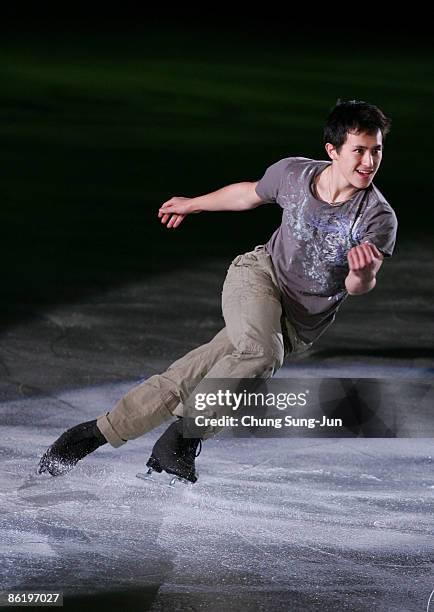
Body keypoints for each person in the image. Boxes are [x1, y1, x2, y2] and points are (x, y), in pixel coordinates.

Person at [38, 99, 398, 484]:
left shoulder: (377, 217)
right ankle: (182, 439)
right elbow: (248, 194)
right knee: (260, 353)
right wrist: (195, 204)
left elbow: (358, 285)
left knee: (191, 376)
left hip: (296, 324)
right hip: (259, 278)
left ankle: (93, 434)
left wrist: (361, 273)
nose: (369, 161)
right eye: (359, 150)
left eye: (376, 150)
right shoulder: (293, 174)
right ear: (333, 150)